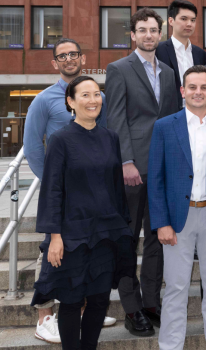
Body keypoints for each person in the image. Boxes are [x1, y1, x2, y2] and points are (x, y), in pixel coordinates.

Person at [32, 76, 134, 350]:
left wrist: (122, 230)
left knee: (100, 298)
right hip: (72, 235)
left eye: (97, 94)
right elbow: (52, 190)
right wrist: (54, 236)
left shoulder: (110, 138)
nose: (93, 100)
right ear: (71, 102)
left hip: (104, 233)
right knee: (72, 299)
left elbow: (116, 187)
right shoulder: (60, 140)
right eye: (85, 95)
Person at [147, 65, 206, 350]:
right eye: (192, 87)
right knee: (176, 288)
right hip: (178, 219)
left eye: (204, 87)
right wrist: (161, 222)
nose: (198, 92)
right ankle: (170, 347)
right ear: (183, 91)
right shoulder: (164, 126)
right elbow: (156, 179)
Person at [23, 38, 114, 342]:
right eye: (62, 56)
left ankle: (89, 306)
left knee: (87, 258)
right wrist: (54, 180)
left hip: (94, 200)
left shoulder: (97, 97)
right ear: (55, 63)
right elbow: (33, 146)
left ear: (82, 57)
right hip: (63, 195)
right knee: (52, 256)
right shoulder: (44, 99)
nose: (69, 59)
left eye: (73, 54)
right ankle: (45, 316)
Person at [106, 8, 180, 337]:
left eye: (154, 29)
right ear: (133, 35)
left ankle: (151, 302)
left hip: (163, 169)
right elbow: (116, 119)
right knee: (126, 240)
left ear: (160, 33)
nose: (149, 35)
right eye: (142, 30)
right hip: (133, 170)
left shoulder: (168, 71)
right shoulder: (118, 69)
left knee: (158, 239)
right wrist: (125, 161)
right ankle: (132, 309)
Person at [155, 0, 206, 100]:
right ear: (171, 21)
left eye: (193, 20)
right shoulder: (158, 50)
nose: (189, 24)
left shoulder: (200, 54)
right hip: (168, 112)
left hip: (195, 110)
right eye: (184, 19)